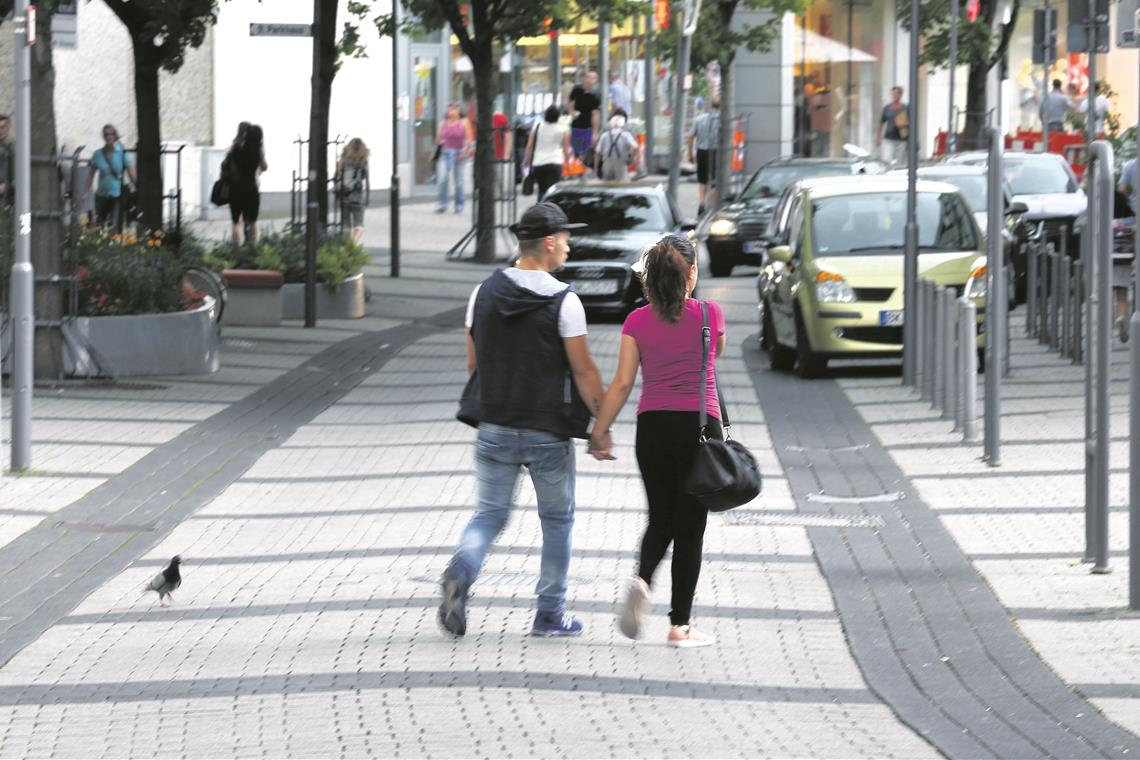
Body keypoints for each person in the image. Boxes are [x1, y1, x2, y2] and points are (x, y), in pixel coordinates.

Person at [439, 201, 606, 639]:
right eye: (566, 239)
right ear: (549, 243)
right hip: (547, 433)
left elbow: (474, 364)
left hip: (493, 426)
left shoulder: (483, 293)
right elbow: (585, 370)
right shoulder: (564, 301)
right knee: (557, 522)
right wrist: (601, 426)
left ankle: (462, 568)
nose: (569, 247)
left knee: (489, 516)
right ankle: (549, 613)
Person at [588, 234, 725, 649]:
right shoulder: (709, 314)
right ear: (691, 274)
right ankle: (680, 626)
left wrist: (599, 430)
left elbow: (624, 382)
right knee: (690, 530)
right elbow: (712, 355)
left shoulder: (636, 322)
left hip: (653, 429)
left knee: (660, 517)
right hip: (699, 430)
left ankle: (641, 579)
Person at [82, 124, 137, 232]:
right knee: (99, 227)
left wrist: (138, 190)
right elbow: (91, 175)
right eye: (106, 135)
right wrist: (85, 192)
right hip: (101, 196)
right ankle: (101, 247)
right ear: (103, 137)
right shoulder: (97, 154)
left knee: (115, 228)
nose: (109, 137)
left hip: (117, 196)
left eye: (111, 134)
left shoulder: (122, 153)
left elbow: (132, 174)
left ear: (115, 136)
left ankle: (115, 248)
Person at [225, 123, 267, 245]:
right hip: (251, 189)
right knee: (253, 221)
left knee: (236, 221)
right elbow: (264, 167)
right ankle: (253, 247)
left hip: (236, 189)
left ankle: (237, 248)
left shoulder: (236, 150)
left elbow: (229, 166)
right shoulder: (257, 152)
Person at [524, 105, 571, 201]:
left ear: (545, 115)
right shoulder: (563, 130)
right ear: (558, 117)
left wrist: (526, 161)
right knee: (553, 192)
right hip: (555, 163)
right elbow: (566, 150)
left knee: (541, 190)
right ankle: (551, 211)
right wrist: (567, 163)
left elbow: (529, 146)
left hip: (538, 163)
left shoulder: (536, 128)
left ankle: (540, 210)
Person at [436, 102, 472, 214]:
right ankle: (442, 204)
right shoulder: (443, 123)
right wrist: (440, 138)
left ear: (459, 111)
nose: (451, 111)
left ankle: (459, 205)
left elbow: (469, 139)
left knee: (459, 181)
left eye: (454, 109)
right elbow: (438, 139)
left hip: (459, 153)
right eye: (449, 109)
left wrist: (465, 151)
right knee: (443, 178)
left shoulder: (464, 122)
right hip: (446, 153)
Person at [687, 98, 721, 216]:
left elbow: (691, 136)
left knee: (702, 180)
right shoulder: (722, 120)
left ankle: (702, 204)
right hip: (716, 152)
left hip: (701, 152)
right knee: (715, 181)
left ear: (710, 106)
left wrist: (690, 154)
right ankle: (713, 207)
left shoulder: (699, 119)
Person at [336, 137, 370, 244]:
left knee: (346, 225)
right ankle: (353, 245)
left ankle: (347, 248)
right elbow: (367, 181)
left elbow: (337, 177)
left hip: (344, 196)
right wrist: (367, 197)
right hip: (358, 198)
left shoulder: (343, 160)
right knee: (359, 225)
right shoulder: (363, 161)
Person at [595, 109, 639, 181]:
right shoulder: (628, 131)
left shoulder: (605, 131)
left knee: (607, 185)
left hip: (606, 162)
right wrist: (632, 159)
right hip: (621, 162)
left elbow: (598, 151)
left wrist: (596, 167)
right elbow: (635, 147)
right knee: (622, 185)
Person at [569, 70, 602, 161]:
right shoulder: (577, 89)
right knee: (575, 151)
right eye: (588, 77)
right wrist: (571, 111)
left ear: (596, 80)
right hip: (576, 126)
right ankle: (576, 168)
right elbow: (570, 101)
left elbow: (596, 114)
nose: (589, 80)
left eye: (592, 78)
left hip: (588, 128)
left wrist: (595, 133)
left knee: (586, 152)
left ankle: (584, 169)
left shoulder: (595, 95)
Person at [876, 86, 908, 166]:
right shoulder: (887, 108)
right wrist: (878, 138)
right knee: (888, 159)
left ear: (900, 95)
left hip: (901, 139)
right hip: (889, 138)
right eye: (892, 94)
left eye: (896, 94)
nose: (893, 95)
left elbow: (911, 122)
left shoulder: (905, 108)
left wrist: (904, 124)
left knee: (899, 162)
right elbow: (881, 123)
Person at [809, 84, 832, 157]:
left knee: (817, 147)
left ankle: (816, 160)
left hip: (817, 128)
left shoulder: (814, 100)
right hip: (825, 128)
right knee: (825, 146)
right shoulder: (830, 99)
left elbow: (808, 113)